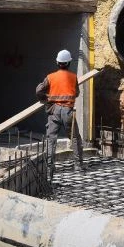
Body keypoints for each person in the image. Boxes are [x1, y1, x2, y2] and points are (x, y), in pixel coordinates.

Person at [36, 49, 83, 179]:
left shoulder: (50, 77)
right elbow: (77, 93)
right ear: (68, 63)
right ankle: (78, 166)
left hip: (54, 111)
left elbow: (38, 90)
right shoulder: (73, 77)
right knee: (74, 138)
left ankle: (50, 169)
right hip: (68, 112)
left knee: (51, 140)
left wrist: (46, 98)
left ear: (57, 62)